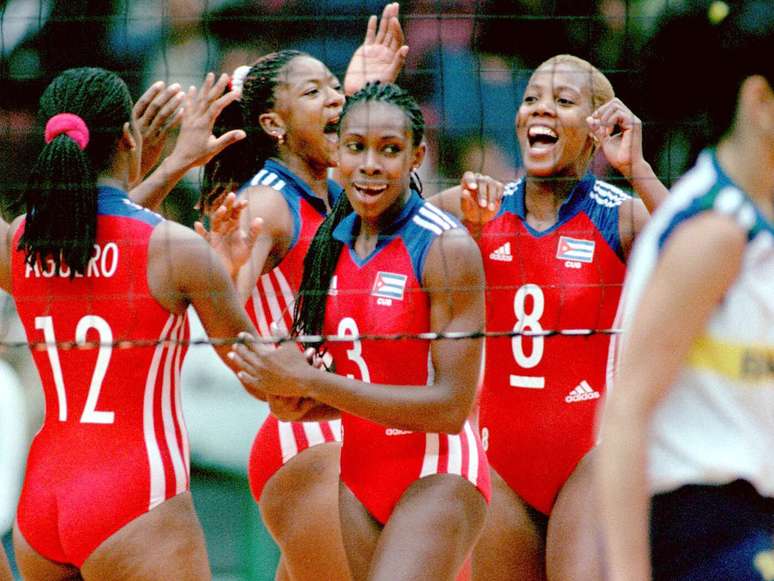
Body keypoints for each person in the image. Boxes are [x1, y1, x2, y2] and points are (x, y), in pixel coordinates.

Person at [0, 67, 262, 580]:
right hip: (136, 495)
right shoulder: (177, 250)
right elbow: (262, 371)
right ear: (128, 138)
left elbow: (88, 246)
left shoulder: (19, 244)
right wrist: (235, 279)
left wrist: (167, 167)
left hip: (44, 500)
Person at [228, 82, 491, 581]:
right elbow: (349, 379)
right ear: (339, 153)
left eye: (389, 150)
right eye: (356, 148)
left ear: (417, 154)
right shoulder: (329, 248)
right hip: (360, 474)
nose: (370, 164)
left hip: (437, 474)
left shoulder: (445, 247)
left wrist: (313, 385)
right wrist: (293, 398)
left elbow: (451, 408)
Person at [430, 53, 669, 580]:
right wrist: (465, 233)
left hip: (589, 456)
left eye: (563, 101)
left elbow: (693, 251)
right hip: (498, 460)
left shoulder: (622, 214)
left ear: (597, 129)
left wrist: (639, 169)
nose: (541, 109)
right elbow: (378, 225)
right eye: (532, 98)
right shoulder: (474, 206)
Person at [199, 5, 408, 579]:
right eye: (316, 91)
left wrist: (373, 93)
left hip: (354, 424)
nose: (336, 98)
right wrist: (227, 271)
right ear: (274, 124)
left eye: (338, 87)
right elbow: (227, 320)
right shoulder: (267, 202)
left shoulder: (336, 190)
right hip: (307, 436)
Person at [598, 5, 773, 581]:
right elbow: (623, 415)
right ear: (762, 105)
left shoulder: (748, 218)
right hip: (705, 528)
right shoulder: (715, 234)